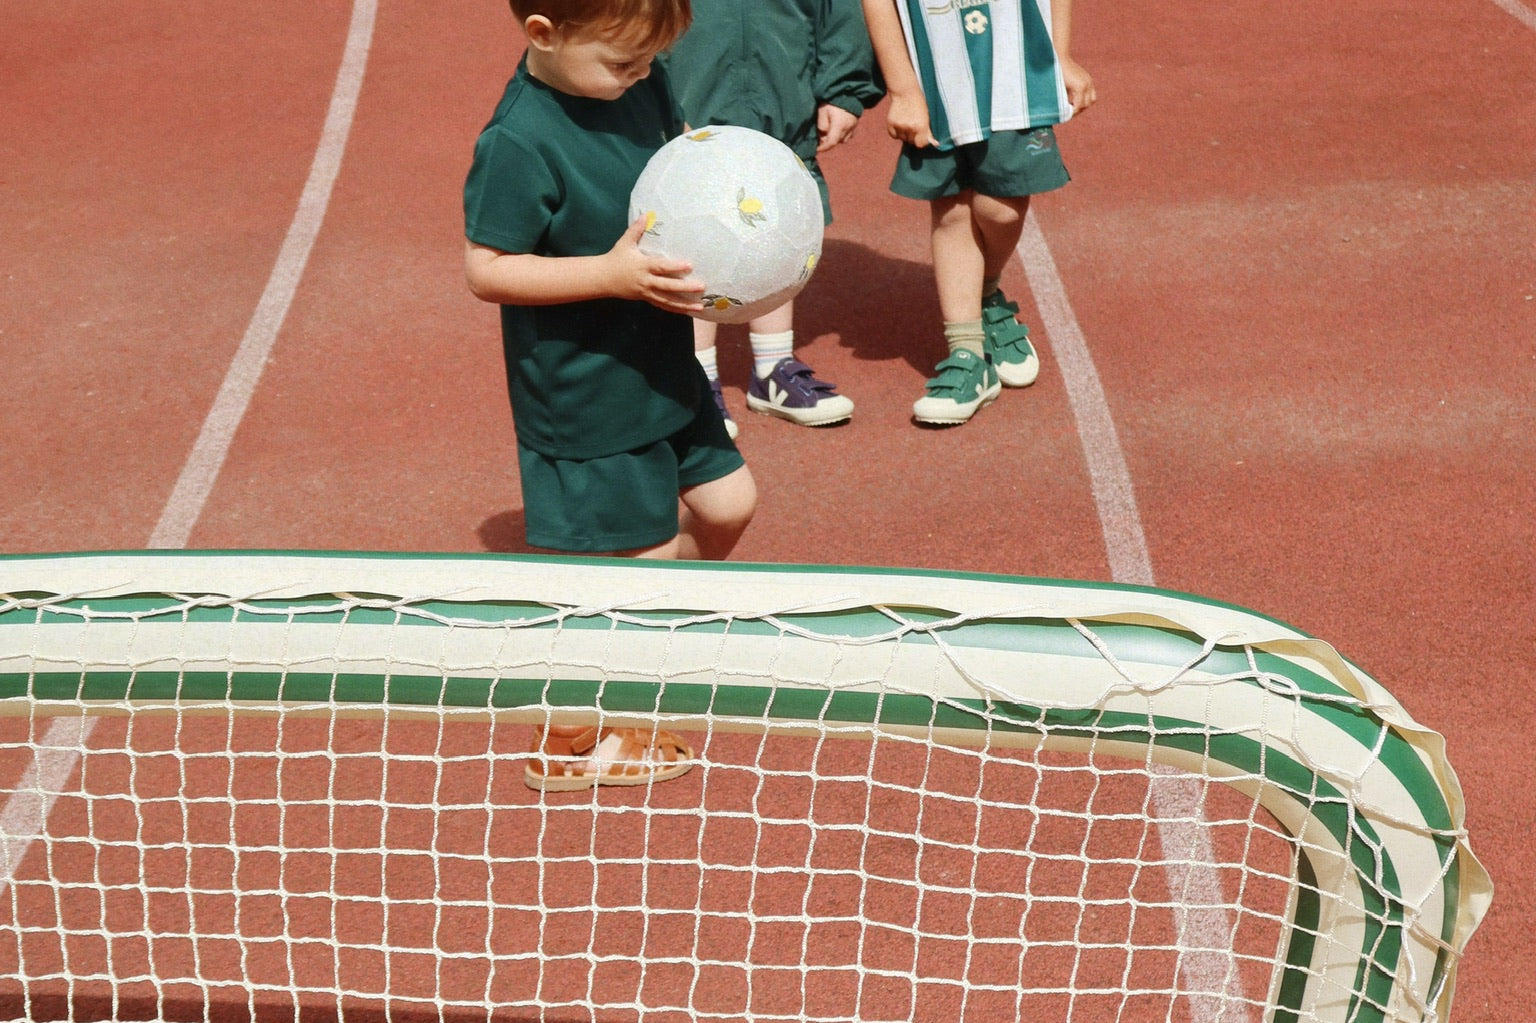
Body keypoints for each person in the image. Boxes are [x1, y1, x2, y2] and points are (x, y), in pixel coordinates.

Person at [464, 0, 757, 790]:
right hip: (587, 391)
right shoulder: (518, 142)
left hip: (658, 361)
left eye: (649, 60)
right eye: (623, 62)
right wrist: (609, 274)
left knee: (728, 505)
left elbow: (678, 167)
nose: (642, 75)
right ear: (543, 34)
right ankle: (575, 735)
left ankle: (623, 633)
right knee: (644, 566)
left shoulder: (641, 79)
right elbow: (486, 269)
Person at [860, 0, 1097, 425]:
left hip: (1015, 70)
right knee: (952, 210)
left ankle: (986, 291)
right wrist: (903, 90)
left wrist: (1060, 54)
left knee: (1002, 210)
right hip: (937, 77)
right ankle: (967, 355)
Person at [661, 0, 884, 435]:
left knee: (776, 229)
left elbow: (839, 11)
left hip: (782, 99)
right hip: (686, 101)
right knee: (694, 233)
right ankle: (697, 377)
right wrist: (644, 89)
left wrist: (843, 90)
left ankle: (772, 367)